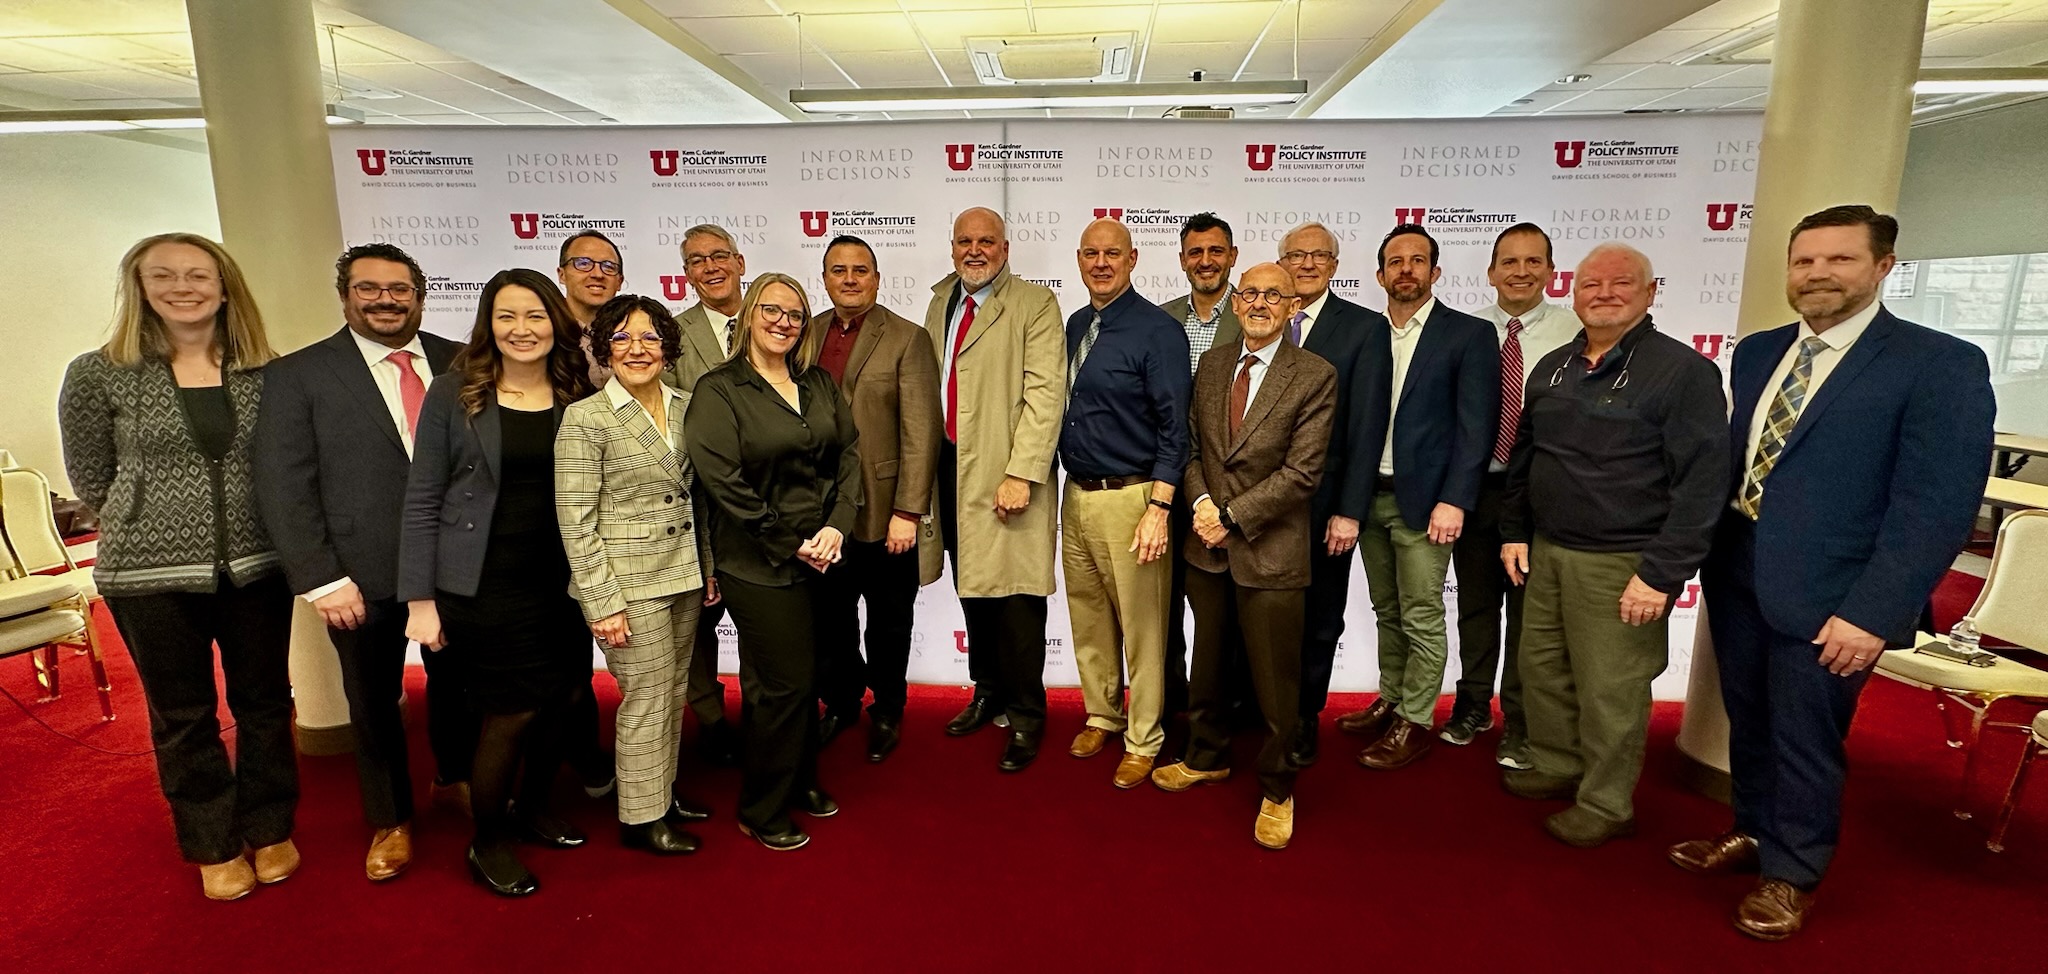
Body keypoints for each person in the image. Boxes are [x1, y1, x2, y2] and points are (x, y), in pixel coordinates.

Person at [1675, 206, 1995, 941]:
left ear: (1883, 266)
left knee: (1805, 735)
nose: (1818, 274)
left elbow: (1936, 505)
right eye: (1805, 261)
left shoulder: (1937, 363)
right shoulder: (1758, 352)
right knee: (1749, 719)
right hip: (1741, 569)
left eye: (1839, 260)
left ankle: (1793, 874)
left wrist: (1875, 612)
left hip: (1836, 597)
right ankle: (1753, 832)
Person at [58, 233, 296, 901]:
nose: (182, 286)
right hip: (149, 576)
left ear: (225, 288)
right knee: (181, 712)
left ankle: (271, 824)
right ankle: (212, 841)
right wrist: (150, 524)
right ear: (139, 287)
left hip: (258, 564)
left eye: (198, 274)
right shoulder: (97, 372)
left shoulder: (265, 371)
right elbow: (92, 477)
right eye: (163, 275)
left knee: (265, 702)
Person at [254, 242, 476, 883]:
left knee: (458, 686)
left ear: (419, 294)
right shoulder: (299, 375)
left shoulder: (459, 363)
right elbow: (283, 484)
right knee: (373, 699)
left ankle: (454, 779)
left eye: (398, 289)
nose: (385, 299)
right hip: (359, 571)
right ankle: (391, 818)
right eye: (369, 288)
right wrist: (321, 577)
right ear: (346, 294)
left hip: (454, 564)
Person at [1497, 243, 1727, 848]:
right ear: (1573, 295)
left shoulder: (1683, 372)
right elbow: (1525, 458)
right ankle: (1557, 763)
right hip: (1546, 550)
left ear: (1650, 293)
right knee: (1541, 669)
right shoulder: (1551, 365)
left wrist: (1661, 574)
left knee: (1611, 689)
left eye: (1621, 283)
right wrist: (1514, 530)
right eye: (1591, 284)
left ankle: (1606, 801)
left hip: (1623, 561)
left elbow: (1703, 484)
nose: (1603, 293)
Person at [398, 269, 597, 895]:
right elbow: (423, 496)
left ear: (555, 324)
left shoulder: (575, 390)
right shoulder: (457, 392)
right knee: (512, 712)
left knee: (565, 698)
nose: (522, 329)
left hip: (563, 582)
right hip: (482, 586)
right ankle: (486, 841)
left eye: (535, 316)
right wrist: (420, 601)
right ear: (489, 323)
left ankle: (534, 807)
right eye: (507, 316)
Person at [1151, 262, 1336, 851]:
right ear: (1235, 304)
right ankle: (1206, 755)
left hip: (1270, 549)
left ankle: (1279, 789)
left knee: (1277, 685)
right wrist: (1203, 502)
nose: (1259, 302)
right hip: (1206, 546)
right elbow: (1188, 445)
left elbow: (1302, 473)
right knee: (1206, 665)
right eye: (1250, 293)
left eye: (1272, 295)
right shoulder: (1209, 363)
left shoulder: (1314, 374)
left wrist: (1232, 516)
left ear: (1291, 306)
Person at [687, 273, 860, 851]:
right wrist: (792, 542)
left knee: (807, 677)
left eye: (794, 312)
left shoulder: (819, 384)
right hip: (759, 562)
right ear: (750, 315)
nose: (783, 321)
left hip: (825, 553)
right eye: (772, 309)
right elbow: (723, 483)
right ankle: (761, 808)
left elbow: (850, 456)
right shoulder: (719, 390)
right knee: (783, 685)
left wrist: (836, 524)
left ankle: (801, 778)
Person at [557, 294, 717, 858]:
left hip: (684, 577)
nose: (636, 349)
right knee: (645, 697)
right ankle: (639, 818)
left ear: (668, 349)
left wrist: (709, 568)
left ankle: (662, 794)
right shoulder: (586, 418)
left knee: (672, 692)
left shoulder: (687, 405)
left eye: (649, 337)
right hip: (626, 586)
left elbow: (696, 498)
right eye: (622, 338)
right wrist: (602, 603)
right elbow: (576, 522)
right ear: (604, 349)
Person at [1336, 223, 1498, 771]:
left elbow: (1477, 428)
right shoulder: (1367, 333)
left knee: (1422, 611)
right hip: (1369, 496)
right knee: (1387, 609)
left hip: (1428, 503)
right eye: (1395, 262)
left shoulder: (1467, 335)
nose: (1406, 269)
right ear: (1380, 275)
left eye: (1418, 260)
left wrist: (1455, 499)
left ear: (1435, 272)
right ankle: (1392, 697)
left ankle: (1416, 719)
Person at [924, 207, 1066, 772]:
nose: (974, 251)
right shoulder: (942, 302)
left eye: (986, 241)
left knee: (1019, 602)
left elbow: (1045, 395)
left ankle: (1028, 715)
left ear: (1005, 249)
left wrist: (1021, 472)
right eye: (964, 241)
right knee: (974, 591)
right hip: (951, 471)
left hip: (1005, 475)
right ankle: (987, 692)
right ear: (952, 246)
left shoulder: (1035, 304)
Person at [1060, 218, 1191, 789]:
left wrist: (1160, 506)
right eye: (1091, 253)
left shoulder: (1158, 330)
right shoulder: (1074, 325)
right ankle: (1101, 713)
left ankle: (1144, 737)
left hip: (1134, 498)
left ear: (1133, 259)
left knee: (1143, 629)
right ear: (1080, 259)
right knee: (1089, 620)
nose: (1101, 263)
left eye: (1112, 253)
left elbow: (1175, 426)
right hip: (1077, 495)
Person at [808, 235, 944, 763]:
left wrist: (908, 511)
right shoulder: (804, 333)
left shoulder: (906, 338)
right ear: (824, 279)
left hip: (887, 513)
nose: (849, 278)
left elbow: (922, 430)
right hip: (823, 515)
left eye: (860, 270)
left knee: (890, 622)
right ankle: (840, 704)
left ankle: (887, 709)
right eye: (838, 270)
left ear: (877, 278)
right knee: (831, 621)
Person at [1452, 223, 1582, 768]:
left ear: (1552, 271)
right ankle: (1473, 704)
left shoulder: (1577, 332)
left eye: (1533, 262)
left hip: (1539, 492)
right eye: (1510, 262)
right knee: (1476, 605)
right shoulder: (1468, 331)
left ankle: (1521, 721)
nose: (1521, 272)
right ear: (1491, 272)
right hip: (1476, 487)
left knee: (1530, 617)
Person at [1277, 221, 1387, 767]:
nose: (1307, 264)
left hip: (1326, 506)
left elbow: (1368, 428)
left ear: (1335, 265)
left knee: (1320, 617)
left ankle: (1303, 718)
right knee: (1267, 614)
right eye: (1296, 255)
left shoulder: (1364, 329)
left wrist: (1350, 511)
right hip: (1263, 505)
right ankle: (1266, 708)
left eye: (1319, 255)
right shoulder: (1261, 318)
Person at [1159, 212, 1244, 717]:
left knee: (1224, 615)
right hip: (1167, 484)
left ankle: (1223, 711)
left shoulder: (1254, 314)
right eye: (1196, 252)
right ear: (1183, 260)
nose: (1205, 261)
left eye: (1216, 251)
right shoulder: (1162, 318)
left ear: (1232, 257)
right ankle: (1171, 709)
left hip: (1229, 495)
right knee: (1163, 610)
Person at [671, 223, 748, 766]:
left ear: (740, 262)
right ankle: (713, 720)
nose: (710, 267)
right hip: (697, 502)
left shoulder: (777, 319)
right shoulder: (670, 335)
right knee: (694, 625)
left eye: (719, 255)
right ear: (686, 274)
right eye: (697, 260)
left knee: (769, 623)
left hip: (767, 506)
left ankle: (772, 718)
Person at [556, 229, 625, 391]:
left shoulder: (634, 335)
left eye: (608, 266)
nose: (597, 274)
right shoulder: (545, 332)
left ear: (619, 281)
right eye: (583, 263)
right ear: (562, 275)